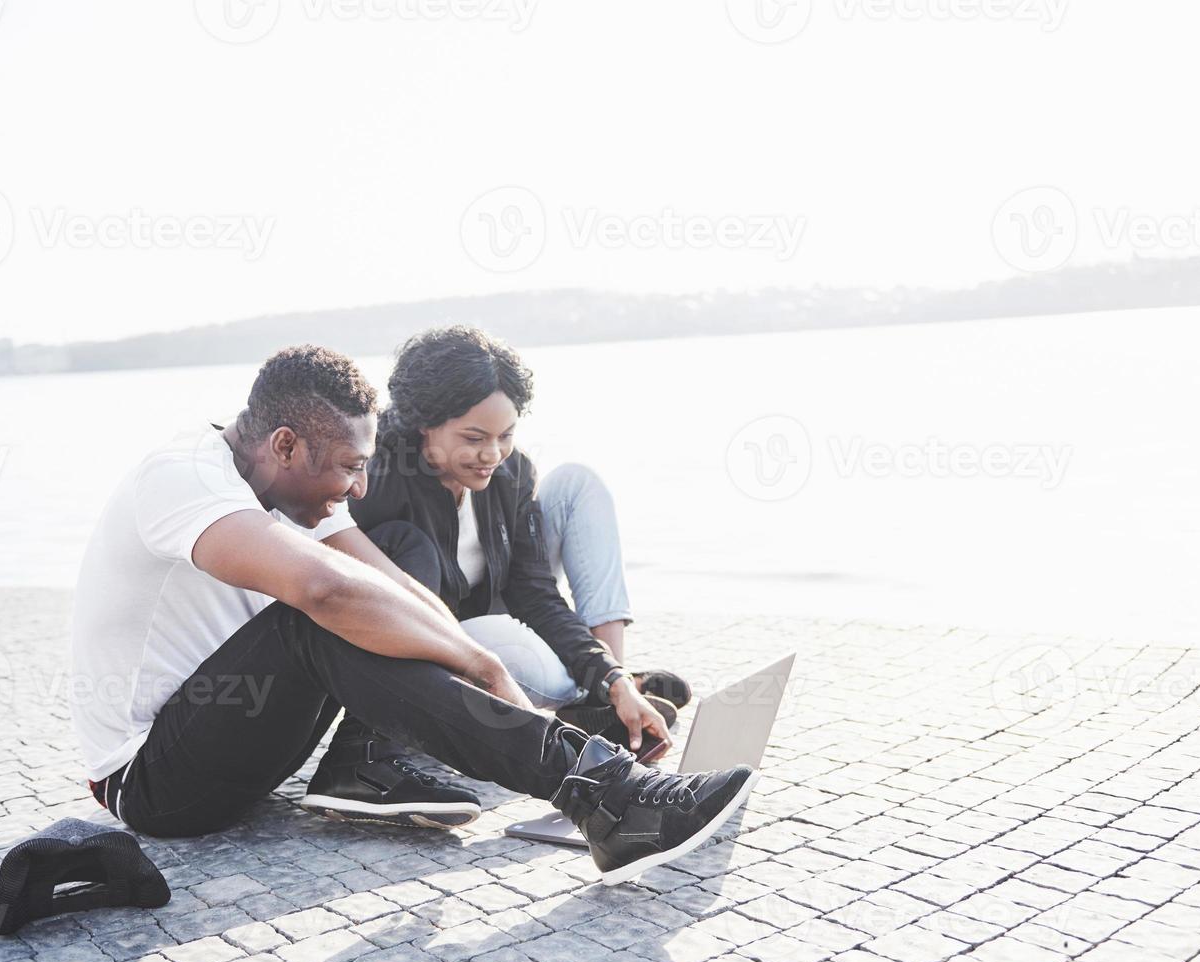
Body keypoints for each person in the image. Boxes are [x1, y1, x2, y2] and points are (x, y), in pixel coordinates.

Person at [68, 344, 756, 884]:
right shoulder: (182, 478)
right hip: (154, 783)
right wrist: (477, 659)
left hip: (234, 743)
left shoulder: (287, 482)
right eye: (348, 467)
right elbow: (327, 595)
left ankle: (590, 776)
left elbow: (390, 583)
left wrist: (481, 676)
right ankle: (608, 796)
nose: (359, 487)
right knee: (317, 616)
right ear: (284, 445)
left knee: (377, 575)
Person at [344, 326, 689, 756]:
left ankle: (614, 686)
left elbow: (535, 592)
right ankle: (590, 697)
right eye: (474, 438)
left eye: (505, 435)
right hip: (446, 640)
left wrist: (611, 675)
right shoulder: (374, 477)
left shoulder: (512, 474)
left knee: (578, 482)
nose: (492, 454)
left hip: (500, 611)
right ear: (424, 425)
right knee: (518, 654)